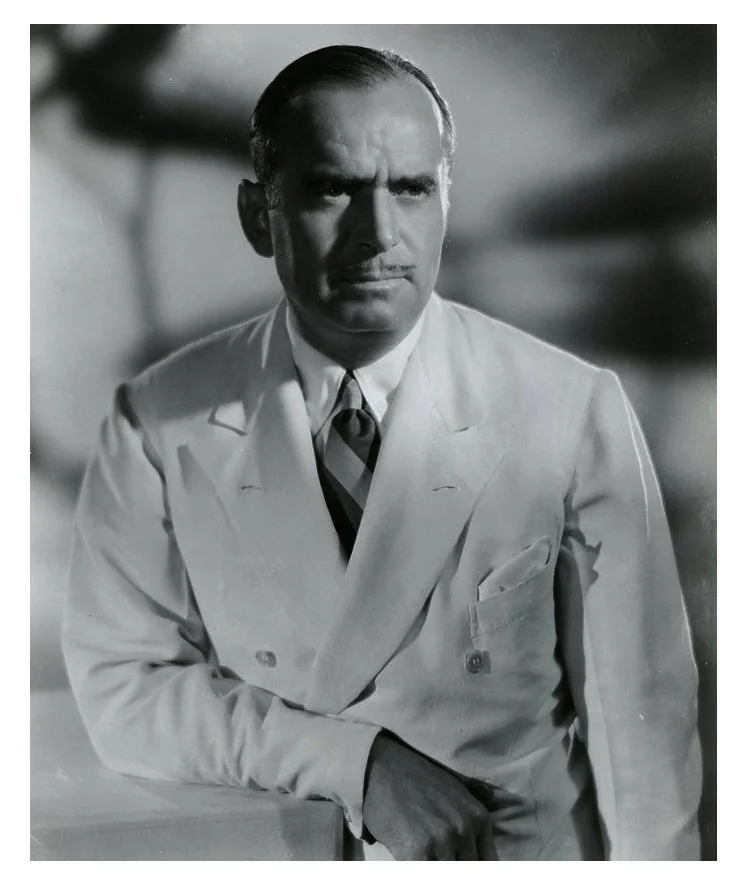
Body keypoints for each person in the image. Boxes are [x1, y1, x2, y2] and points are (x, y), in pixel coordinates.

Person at [62, 45, 702, 861]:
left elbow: (642, 725)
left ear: (445, 200)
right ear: (260, 215)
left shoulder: (568, 404)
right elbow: (124, 691)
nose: (378, 234)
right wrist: (356, 764)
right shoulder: (158, 416)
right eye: (333, 188)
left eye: (410, 187)